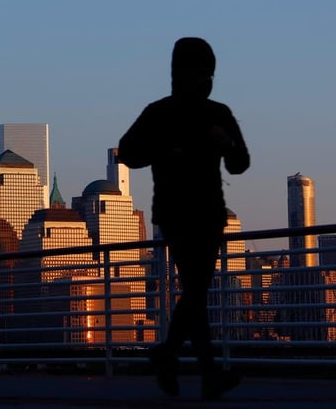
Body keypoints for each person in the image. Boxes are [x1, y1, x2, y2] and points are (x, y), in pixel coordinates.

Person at [117, 37, 249, 400]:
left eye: (208, 72)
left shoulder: (216, 114)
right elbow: (126, 152)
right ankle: (187, 364)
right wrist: (166, 149)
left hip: (205, 214)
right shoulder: (160, 114)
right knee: (196, 291)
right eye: (200, 71)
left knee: (195, 292)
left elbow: (240, 163)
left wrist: (226, 144)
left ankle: (175, 358)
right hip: (179, 214)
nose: (204, 78)